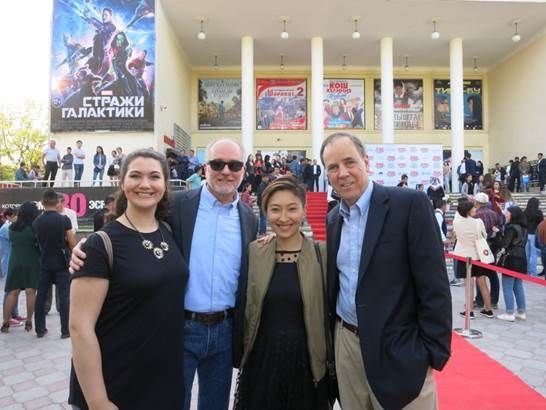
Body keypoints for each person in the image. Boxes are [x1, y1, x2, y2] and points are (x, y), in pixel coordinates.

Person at [71, 140, 259, 410]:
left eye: (235, 165)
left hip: (225, 331)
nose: (226, 171)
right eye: (218, 164)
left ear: (244, 170)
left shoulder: (249, 217)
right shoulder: (177, 205)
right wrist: (86, 247)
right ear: (205, 168)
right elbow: (132, 227)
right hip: (177, 329)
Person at [321, 132, 452, 409]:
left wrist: (430, 352)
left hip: (400, 350)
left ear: (366, 162)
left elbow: (434, 285)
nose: (342, 173)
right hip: (347, 347)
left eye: (349, 162)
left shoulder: (409, 204)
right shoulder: (333, 219)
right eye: (333, 167)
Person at [69, 149, 188, 409]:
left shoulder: (168, 230)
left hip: (164, 382)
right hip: (116, 384)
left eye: (154, 176)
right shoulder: (100, 245)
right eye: (135, 176)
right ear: (122, 182)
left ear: (165, 185)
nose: (145, 184)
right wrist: (98, 401)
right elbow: (79, 328)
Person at [235, 176, 329, 409]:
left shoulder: (322, 255)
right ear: (265, 212)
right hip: (262, 361)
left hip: (307, 364)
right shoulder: (255, 252)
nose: (284, 218)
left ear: (304, 210)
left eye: (292, 209)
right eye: (275, 209)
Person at [32, 190, 76, 338]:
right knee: (64, 296)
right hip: (61, 262)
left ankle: (40, 329)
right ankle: (65, 331)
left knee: (41, 296)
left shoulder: (37, 222)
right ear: (57, 202)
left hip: (44, 262)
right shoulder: (64, 220)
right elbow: (72, 242)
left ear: (42, 203)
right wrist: (74, 255)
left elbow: (36, 243)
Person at [1, 202, 41, 333]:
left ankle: (5, 322)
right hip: (31, 261)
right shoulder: (34, 228)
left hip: (15, 261)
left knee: (12, 292)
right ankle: (29, 321)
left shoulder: (12, 228)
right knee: (31, 292)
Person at [452, 200, 494, 318]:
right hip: (478, 255)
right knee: (482, 283)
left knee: (468, 284)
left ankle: (469, 311)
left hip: (463, 255)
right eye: (473, 208)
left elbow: (455, 236)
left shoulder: (456, 222)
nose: (475, 209)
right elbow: (484, 236)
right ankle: (488, 309)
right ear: (468, 210)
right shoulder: (478, 222)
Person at [496, 206, 528, 322]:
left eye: (508, 213)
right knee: (518, 286)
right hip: (522, 257)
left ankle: (509, 312)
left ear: (513, 214)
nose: (506, 214)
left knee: (507, 286)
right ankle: (521, 311)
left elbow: (504, 244)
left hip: (511, 258)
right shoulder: (524, 228)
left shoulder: (512, 228)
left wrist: (498, 233)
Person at [473, 193, 502, 310]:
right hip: (492, 247)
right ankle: (494, 301)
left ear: (477, 202)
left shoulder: (475, 215)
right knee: (493, 274)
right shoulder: (494, 214)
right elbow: (500, 228)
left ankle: (480, 300)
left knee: (479, 274)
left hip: (479, 247)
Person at [523, 197, 543, 277]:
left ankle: (527, 272)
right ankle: (533, 273)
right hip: (534, 235)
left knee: (526, 255)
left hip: (525, 235)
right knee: (533, 255)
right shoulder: (538, 212)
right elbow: (541, 224)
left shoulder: (525, 212)